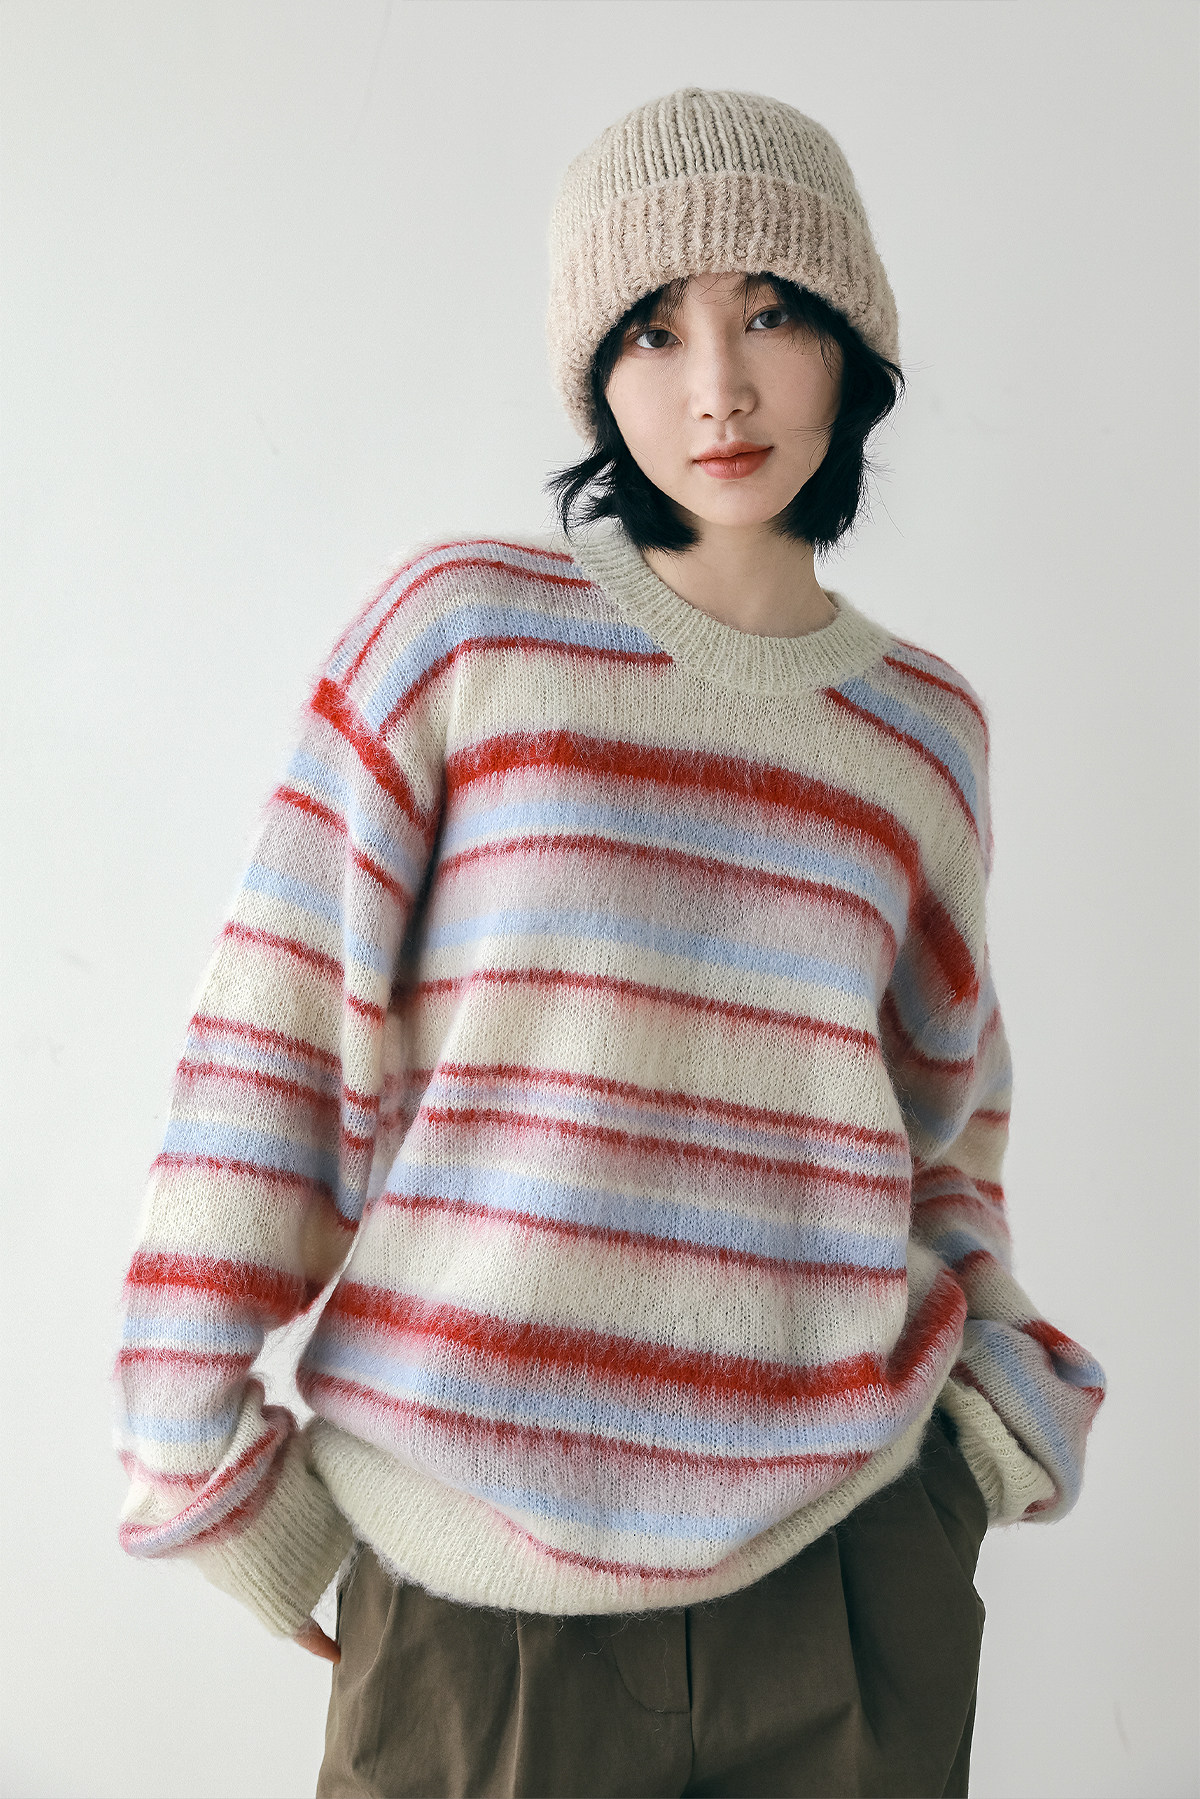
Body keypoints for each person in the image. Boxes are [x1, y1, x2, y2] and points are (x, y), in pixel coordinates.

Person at [112, 88, 1107, 1798]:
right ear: (594, 364)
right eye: (654, 330)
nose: (717, 386)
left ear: (852, 337)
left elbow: (943, 1132)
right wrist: (197, 1458)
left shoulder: (920, 733)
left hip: (847, 1584)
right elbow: (268, 1057)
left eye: (770, 313)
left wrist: (996, 1420)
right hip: (478, 1607)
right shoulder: (462, 639)